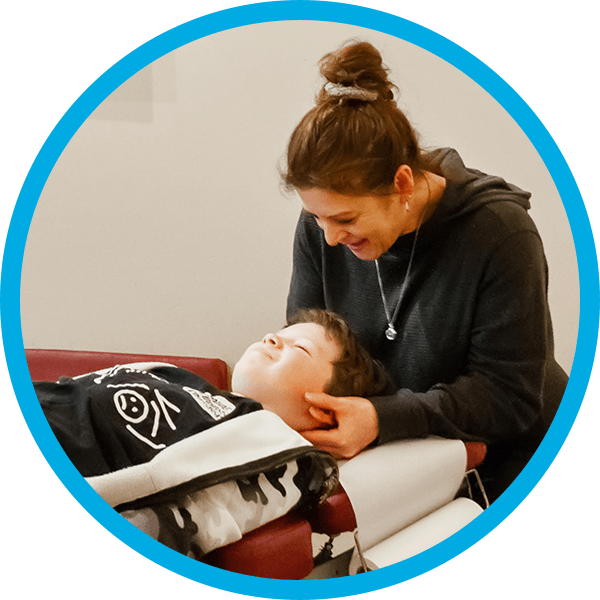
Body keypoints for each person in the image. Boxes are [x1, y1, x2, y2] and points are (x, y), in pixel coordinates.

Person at [282, 40, 569, 501]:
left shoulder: (500, 233)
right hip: (404, 460)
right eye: (317, 217)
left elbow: (507, 396)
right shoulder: (320, 230)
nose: (330, 238)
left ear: (402, 183)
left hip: (513, 460)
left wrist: (382, 419)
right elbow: (308, 344)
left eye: (346, 219)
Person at [35, 308, 392, 478]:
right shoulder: (187, 382)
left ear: (324, 410)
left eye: (299, 349)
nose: (272, 339)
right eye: (276, 334)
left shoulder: (266, 451)